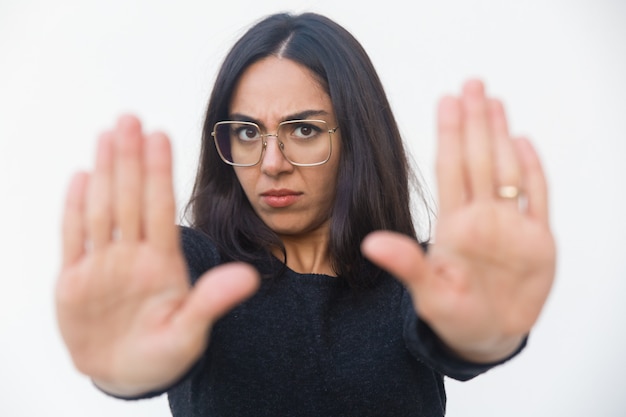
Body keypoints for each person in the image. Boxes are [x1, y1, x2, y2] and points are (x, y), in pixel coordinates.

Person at [55, 12, 556, 417]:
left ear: (356, 140)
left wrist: (483, 337)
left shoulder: (419, 277)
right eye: (248, 133)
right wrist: (125, 371)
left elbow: (456, 333)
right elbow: (141, 349)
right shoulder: (194, 266)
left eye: (304, 130)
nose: (272, 164)